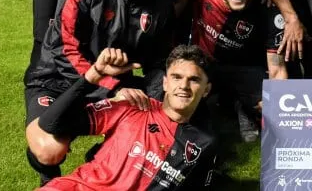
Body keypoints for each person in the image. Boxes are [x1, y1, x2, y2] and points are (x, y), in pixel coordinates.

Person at [23, 0, 176, 184]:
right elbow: (64, 52)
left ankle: (103, 158)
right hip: (54, 82)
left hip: (114, 84)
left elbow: (157, 62)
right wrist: (111, 88)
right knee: (49, 148)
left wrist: (157, 106)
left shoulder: (161, 4)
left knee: (161, 119)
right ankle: (49, 180)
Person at [27, 45, 216, 190]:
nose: (183, 85)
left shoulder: (203, 145)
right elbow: (50, 124)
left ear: (206, 90)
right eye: (176, 77)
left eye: (194, 80)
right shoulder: (132, 106)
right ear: (165, 83)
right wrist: (93, 76)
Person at [189, 0, 288, 141]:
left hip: (245, 69)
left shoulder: (270, 10)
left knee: (266, 103)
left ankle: (243, 106)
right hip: (204, 63)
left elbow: (277, 70)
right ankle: (228, 104)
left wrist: (280, 111)